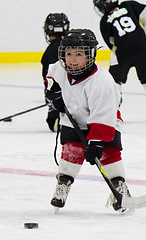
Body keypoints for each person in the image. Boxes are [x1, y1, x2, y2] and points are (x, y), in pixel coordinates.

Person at [45, 29, 131, 213]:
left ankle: (119, 187)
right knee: (71, 151)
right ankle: (63, 185)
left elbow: (104, 114)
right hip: (73, 118)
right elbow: (51, 76)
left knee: (109, 152)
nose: (72, 59)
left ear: (90, 55)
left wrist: (97, 143)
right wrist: (54, 94)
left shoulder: (102, 82)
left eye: (78, 54)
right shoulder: (60, 68)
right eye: (68, 54)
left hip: (105, 122)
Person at [93, 0, 146, 122]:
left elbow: (111, 42)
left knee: (115, 80)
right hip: (142, 47)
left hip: (123, 51)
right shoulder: (128, 5)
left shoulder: (105, 20)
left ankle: (114, 108)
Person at [41, 13, 70, 131]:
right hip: (79, 99)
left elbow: (49, 78)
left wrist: (51, 99)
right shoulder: (72, 47)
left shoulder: (51, 50)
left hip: (62, 102)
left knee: (53, 123)